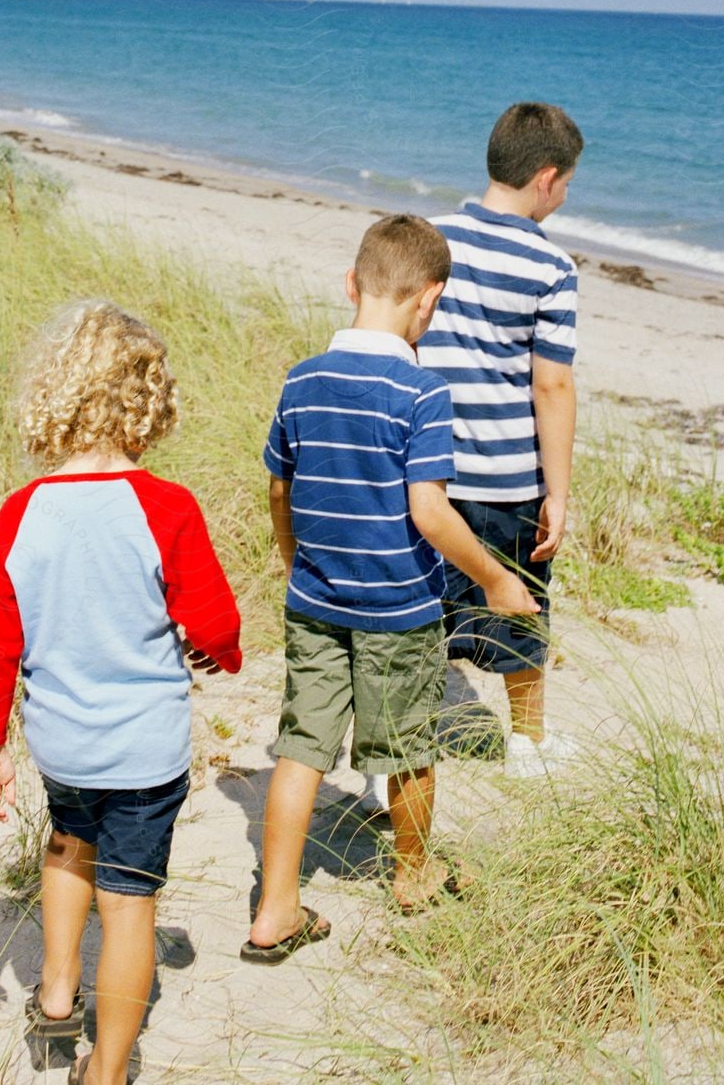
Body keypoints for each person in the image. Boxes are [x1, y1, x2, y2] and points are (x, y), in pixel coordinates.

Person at [243, 214, 541, 962]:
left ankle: (276, 906)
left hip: (314, 600)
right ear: (429, 301)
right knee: (409, 746)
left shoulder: (302, 379)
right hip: (401, 609)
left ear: (351, 284)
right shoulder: (421, 392)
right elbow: (429, 511)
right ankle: (411, 876)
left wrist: (291, 560)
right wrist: (498, 581)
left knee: (301, 746)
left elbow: (279, 487)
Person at [0, 302, 241, 1085]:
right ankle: (107, 1071)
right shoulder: (166, 508)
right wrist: (222, 653)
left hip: (62, 744)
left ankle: (55, 1000)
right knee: (128, 904)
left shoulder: (20, 513)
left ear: (58, 397)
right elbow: (214, 620)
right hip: (144, 752)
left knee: (66, 848)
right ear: (148, 401)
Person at [417, 101, 583, 779]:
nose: (566, 196)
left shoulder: (430, 240)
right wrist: (559, 492)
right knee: (523, 612)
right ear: (546, 178)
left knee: (424, 614)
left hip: (430, 476)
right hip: (510, 478)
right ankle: (527, 744)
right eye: (568, 183)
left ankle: (409, 731)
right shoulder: (551, 266)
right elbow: (552, 387)